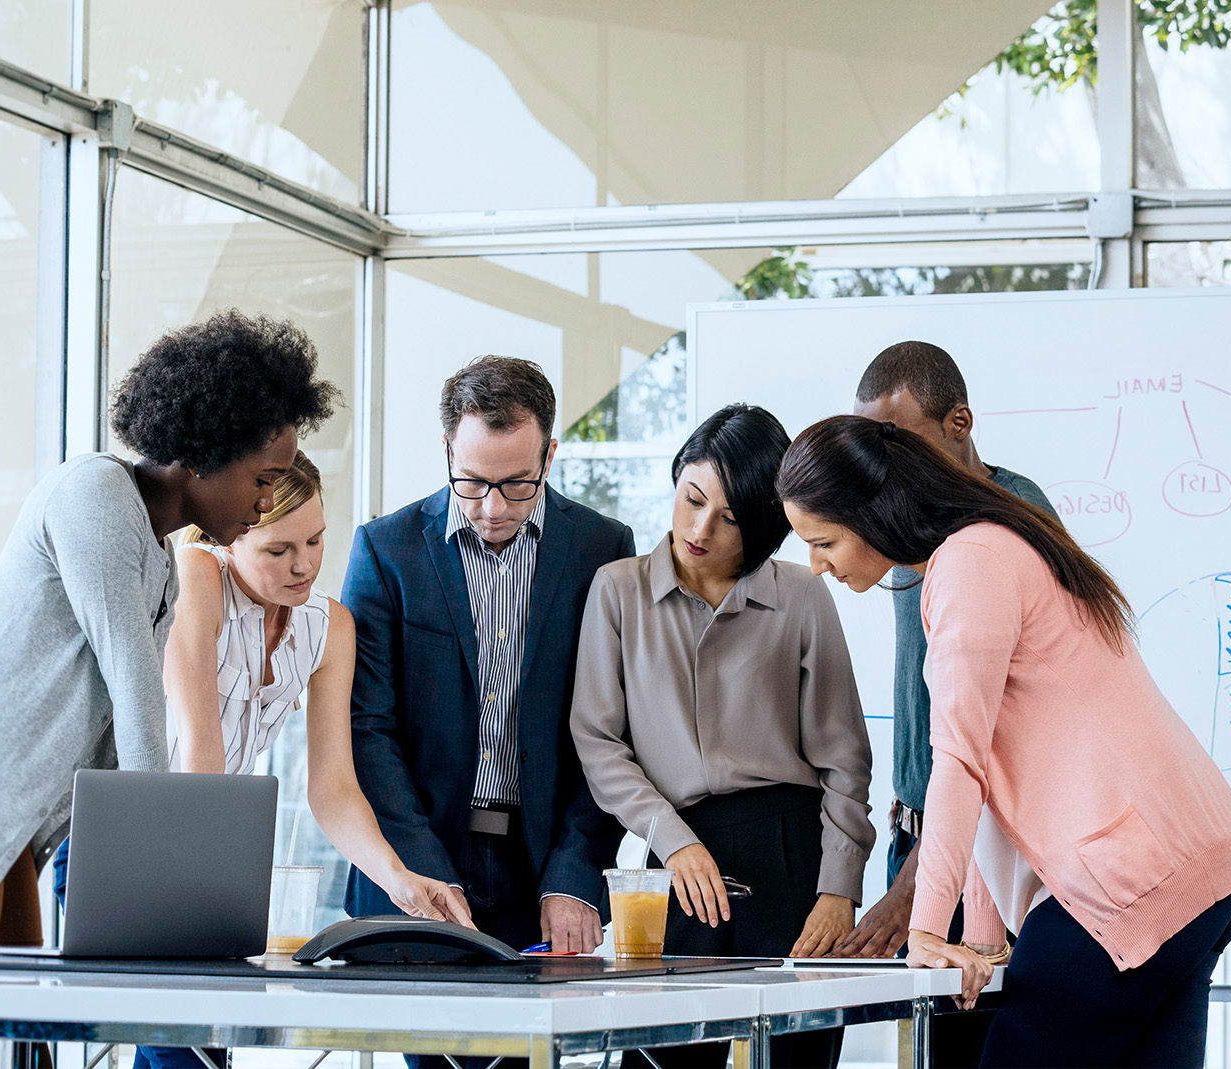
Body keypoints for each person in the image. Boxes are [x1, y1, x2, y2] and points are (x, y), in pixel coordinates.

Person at [0, 311, 339, 1069]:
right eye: (262, 477)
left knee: (6, 1045)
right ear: (205, 455)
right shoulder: (96, 497)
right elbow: (136, 692)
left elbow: (112, 733)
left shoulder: (157, 553)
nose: (263, 500)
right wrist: (168, 859)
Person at [778, 415, 1231, 1068]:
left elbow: (960, 764)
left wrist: (926, 927)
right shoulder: (997, 542)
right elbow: (996, 769)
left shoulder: (967, 564)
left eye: (822, 539)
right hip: (1209, 869)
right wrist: (982, 940)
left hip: (1132, 879)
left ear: (872, 511)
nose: (815, 565)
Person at [54, 453, 475, 1069]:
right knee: (183, 1051)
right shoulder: (196, 574)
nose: (304, 564)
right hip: (126, 850)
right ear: (235, 533)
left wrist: (399, 879)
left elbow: (332, 789)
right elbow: (202, 751)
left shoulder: (328, 626)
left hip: (202, 859)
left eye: (315, 539)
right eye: (278, 550)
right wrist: (214, 899)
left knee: (192, 1053)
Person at [343, 356, 633, 1057]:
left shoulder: (604, 549)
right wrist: (421, 874)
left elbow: (613, 733)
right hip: (422, 858)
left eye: (517, 483)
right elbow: (364, 729)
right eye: (472, 482)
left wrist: (575, 876)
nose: (494, 508)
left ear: (550, 454)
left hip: (544, 866)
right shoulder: (384, 552)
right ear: (447, 449)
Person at [571, 403, 873, 1069]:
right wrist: (670, 839)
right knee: (661, 1057)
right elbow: (597, 740)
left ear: (764, 525)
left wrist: (839, 887)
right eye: (693, 498)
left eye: (731, 517)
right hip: (677, 858)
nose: (701, 527)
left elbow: (845, 757)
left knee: (798, 1057)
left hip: (793, 855)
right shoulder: (616, 591)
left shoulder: (802, 596)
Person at [829, 341, 1056, 1062]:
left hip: (982, 849)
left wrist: (918, 880)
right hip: (921, 835)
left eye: (897, 440)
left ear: (959, 421)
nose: (883, 462)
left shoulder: (1007, 523)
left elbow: (984, 739)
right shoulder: (913, 514)